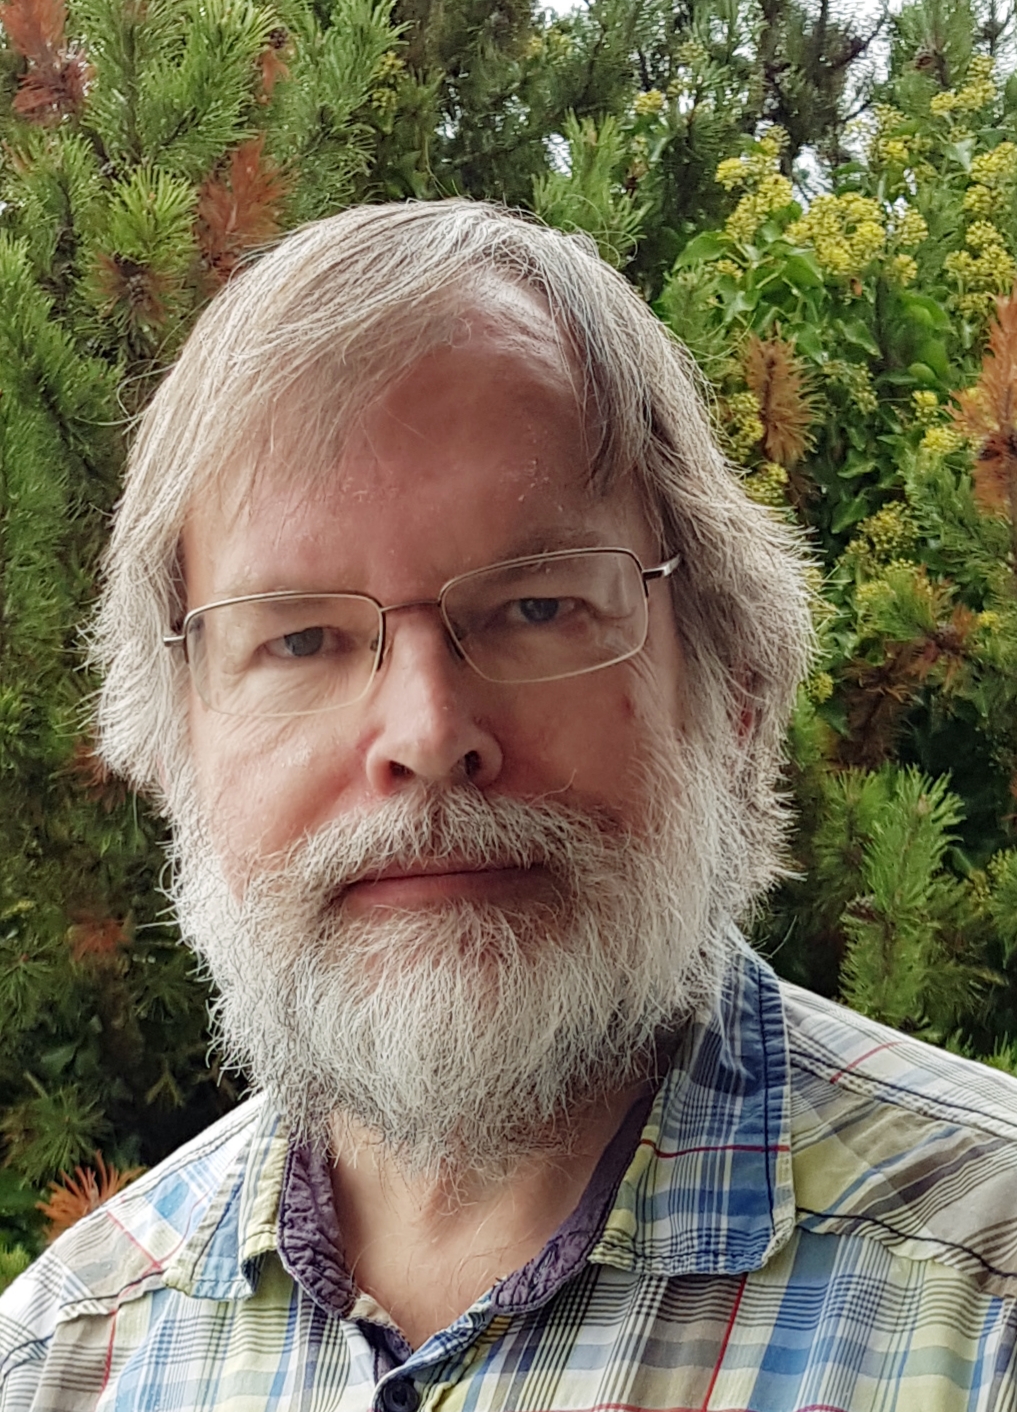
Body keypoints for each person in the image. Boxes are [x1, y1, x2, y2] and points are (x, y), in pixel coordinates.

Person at [2, 199, 1016, 1412]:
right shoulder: (58, 1362)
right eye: (302, 638)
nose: (428, 734)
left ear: (734, 685)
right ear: (171, 743)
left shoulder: (988, 1305)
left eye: (538, 608)